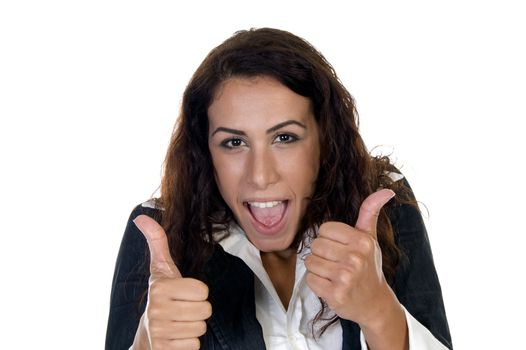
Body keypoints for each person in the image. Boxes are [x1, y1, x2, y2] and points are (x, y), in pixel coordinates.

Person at [105, 28, 452, 350]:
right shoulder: (160, 232)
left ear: (324, 140)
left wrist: (380, 314)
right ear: (205, 151)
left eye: (284, 138)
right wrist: (146, 342)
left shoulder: (382, 207)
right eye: (234, 142)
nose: (260, 176)